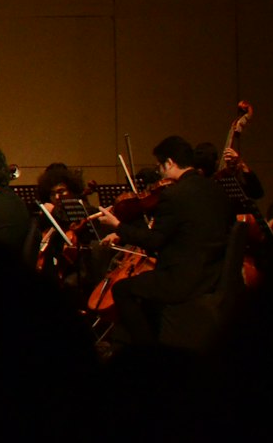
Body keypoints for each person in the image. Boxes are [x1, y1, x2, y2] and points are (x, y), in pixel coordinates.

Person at [95, 135, 235, 346]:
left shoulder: (175, 195)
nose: (159, 172)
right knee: (145, 287)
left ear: (169, 163)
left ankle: (148, 349)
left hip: (183, 281)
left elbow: (155, 242)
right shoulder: (217, 190)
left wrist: (118, 226)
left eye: (159, 165)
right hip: (213, 275)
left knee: (122, 290)